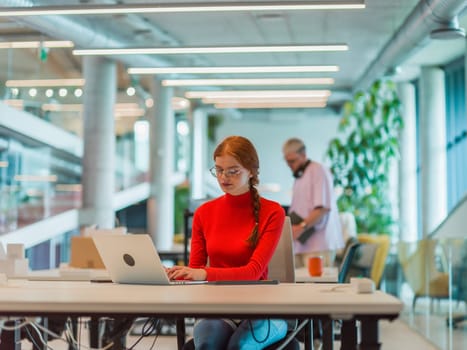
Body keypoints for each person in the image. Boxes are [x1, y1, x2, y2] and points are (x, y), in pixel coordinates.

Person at [167, 135, 288, 350]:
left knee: (239, 346)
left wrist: (204, 273)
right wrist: (181, 274)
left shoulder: (272, 212)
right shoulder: (204, 213)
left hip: (261, 309)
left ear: (251, 171)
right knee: (206, 344)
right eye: (219, 170)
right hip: (219, 307)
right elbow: (195, 269)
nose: (224, 177)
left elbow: (253, 272)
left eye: (233, 171)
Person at [282, 137, 344, 268]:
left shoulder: (318, 170)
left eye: (292, 161)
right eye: (287, 162)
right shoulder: (300, 176)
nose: (290, 166)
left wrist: (302, 227)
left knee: (318, 287)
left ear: (303, 155)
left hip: (319, 245)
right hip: (302, 243)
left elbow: (322, 208)